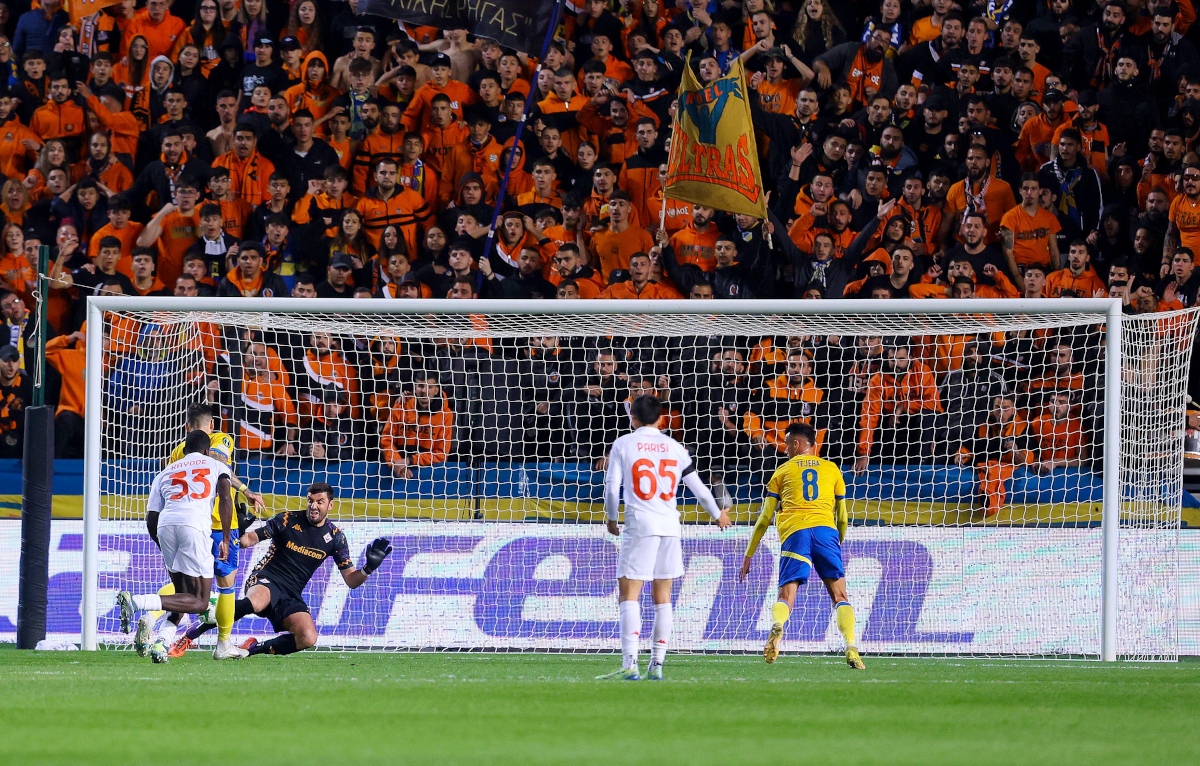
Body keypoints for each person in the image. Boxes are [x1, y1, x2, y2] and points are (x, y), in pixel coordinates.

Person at [596, 394, 731, 681]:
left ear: (632, 417)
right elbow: (698, 487)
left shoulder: (623, 444)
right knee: (663, 597)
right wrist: (718, 514)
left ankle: (630, 663)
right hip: (670, 525)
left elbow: (611, 488)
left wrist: (610, 517)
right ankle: (656, 665)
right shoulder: (676, 447)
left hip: (640, 523)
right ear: (661, 419)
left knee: (629, 593)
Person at [739, 422, 864, 669]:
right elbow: (843, 517)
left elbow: (764, 518)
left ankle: (778, 626)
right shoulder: (832, 469)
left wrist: (749, 554)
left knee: (786, 595)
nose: (784, 450)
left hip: (795, 532)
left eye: (786, 444)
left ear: (796, 444)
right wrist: (836, 540)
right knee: (840, 596)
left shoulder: (782, 472)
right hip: (826, 532)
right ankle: (851, 647)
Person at [115, 430, 235, 663]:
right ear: (206, 450)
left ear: (184, 449)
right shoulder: (215, 464)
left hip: (165, 526)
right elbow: (226, 497)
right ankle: (137, 602)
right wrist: (227, 539)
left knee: (182, 596)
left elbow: (151, 518)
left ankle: (162, 643)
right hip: (195, 527)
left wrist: (164, 545)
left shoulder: (166, 472)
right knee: (200, 601)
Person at [233, 482, 392, 657]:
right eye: (310, 501)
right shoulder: (286, 519)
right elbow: (246, 541)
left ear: (330, 505)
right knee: (256, 602)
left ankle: (252, 649)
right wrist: (238, 529)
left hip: (291, 592)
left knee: (308, 637)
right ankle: (200, 628)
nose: (313, 506)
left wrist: (368, 568)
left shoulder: (335, 537)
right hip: (266, 578)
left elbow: (351, 581)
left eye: (320, 501)